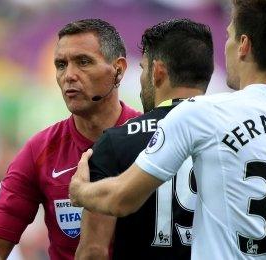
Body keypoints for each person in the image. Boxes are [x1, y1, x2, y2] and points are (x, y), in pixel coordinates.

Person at [69, 1, 266, 259]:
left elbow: (122, 199)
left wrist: (81, 191)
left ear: (243, 45)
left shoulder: (204, 113)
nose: (224, 46)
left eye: (227, 36)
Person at [0, 19, 141, 259]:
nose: (69, 75)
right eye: (61, 65)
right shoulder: (39, 151)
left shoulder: (155, 138)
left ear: (119, 68)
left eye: (83, 62)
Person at [75, 18, 213, 260]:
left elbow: (93, 251)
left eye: (143, 68)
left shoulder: (116, 142)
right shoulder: (234, 136)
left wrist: (80, 191)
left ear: (157, 72)